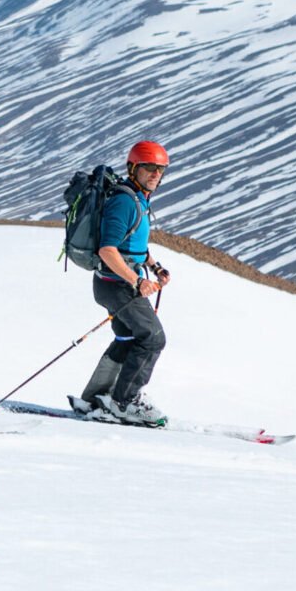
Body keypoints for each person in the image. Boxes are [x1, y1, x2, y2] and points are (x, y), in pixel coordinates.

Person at [75, 140, 173, 426]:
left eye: (161, 169)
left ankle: (96, 397)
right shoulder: (124, 202)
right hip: (118, 284)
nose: (155, 174)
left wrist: (155, 267)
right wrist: (137, 281)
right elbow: (108, 250)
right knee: (153, 338)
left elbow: (133, 244)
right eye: (149, 167)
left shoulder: (138, 199)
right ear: (133, 168)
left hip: (114, 283)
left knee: (128, 339)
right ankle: (125, 402)